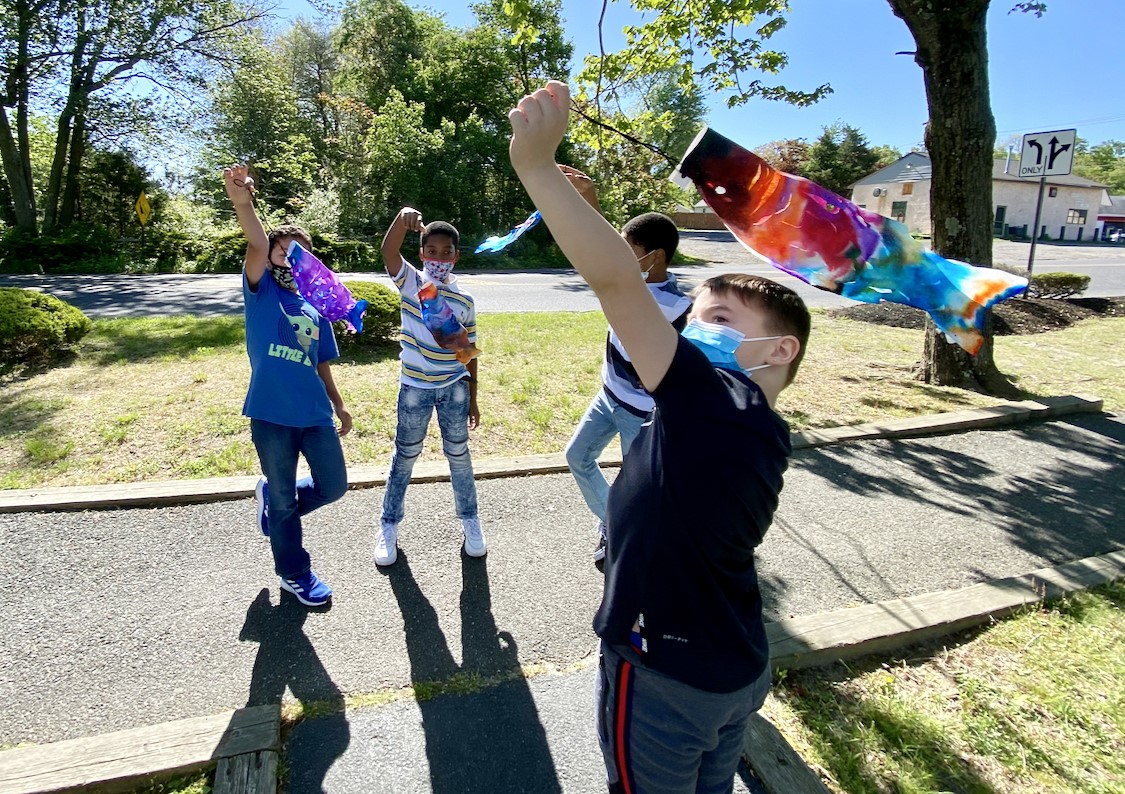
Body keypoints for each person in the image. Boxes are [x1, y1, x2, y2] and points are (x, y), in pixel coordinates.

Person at [508, 83, 811, 794]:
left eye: (720, 319)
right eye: (695, 315)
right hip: (732, 671)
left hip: (662, 674)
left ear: (778, 352)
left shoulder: (709, 400)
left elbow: (617, 282)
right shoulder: (756, 429)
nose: (693, 328)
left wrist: (536, 166)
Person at [222, 164, 352, 608]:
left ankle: (278, 507)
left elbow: (321, 364)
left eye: (296, 252)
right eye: (280, 250)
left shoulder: (316, 308)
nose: (285, 256)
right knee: (281, 498)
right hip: (272, 414)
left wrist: (339, 406)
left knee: (333, 486)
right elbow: (255, 242)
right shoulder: (260, 291)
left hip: (315, 415)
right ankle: (294, 572)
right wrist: (244, 201)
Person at [560, 166, 691, 569]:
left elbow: (614, 276)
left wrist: (590, 203)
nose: (622, 255)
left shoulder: (672, 306)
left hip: (642, 413)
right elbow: (611, 262)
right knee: (577, 456)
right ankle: (612, 521)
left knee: (645, 489)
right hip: (608, 396)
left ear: (655, 257)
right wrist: (584, 200)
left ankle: (649, 551)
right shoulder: (631, 283)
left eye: (630, 248)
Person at [375, 207, 484, 567]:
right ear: (422, 254)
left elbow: (469, 352)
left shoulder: (465, 300)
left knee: (459, 456)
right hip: (415, 388)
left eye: (446, 252)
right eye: (431, 251)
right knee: (405, 456)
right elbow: (388, 253)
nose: (439, 258)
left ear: (457, 255)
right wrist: (401, 222)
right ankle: (388, 524)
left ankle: (470, 520)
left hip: (454, 387)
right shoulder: (411, 282)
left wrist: (473, 397)